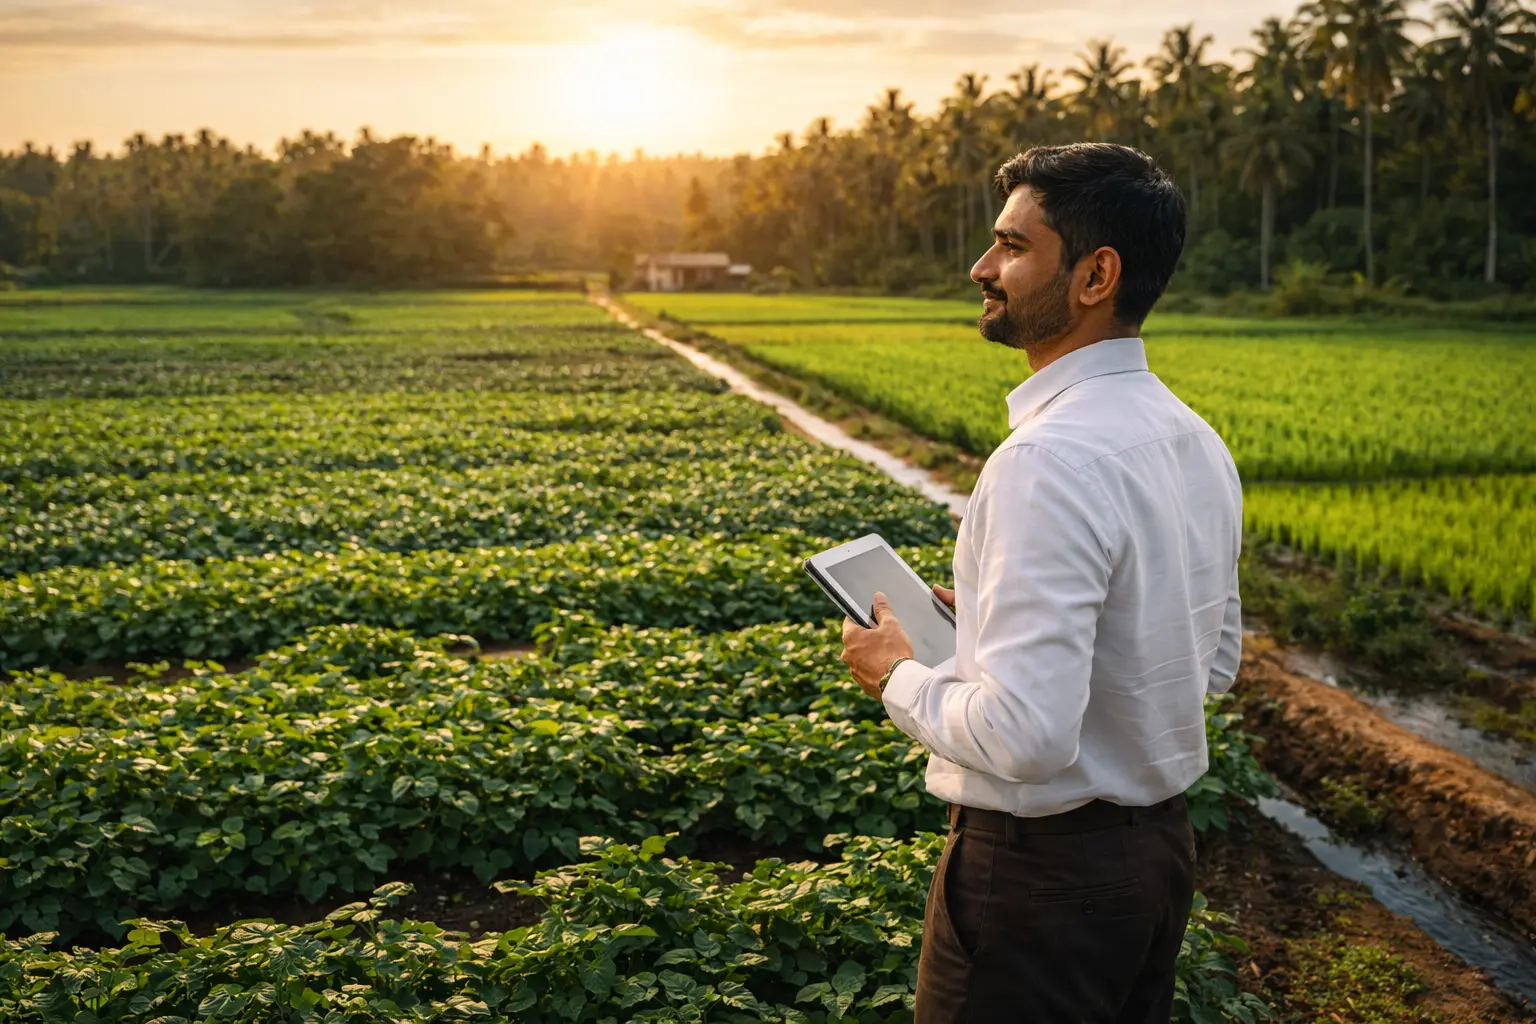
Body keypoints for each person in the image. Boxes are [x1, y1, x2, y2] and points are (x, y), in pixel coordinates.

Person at [839, 142, 1243, 1023]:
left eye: (1014, 248)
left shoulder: (1047, 460)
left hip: (1039, 883)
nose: (982, 267)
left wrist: (897, 674)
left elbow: (1025, 739)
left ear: (1097, 275)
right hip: (1156, 861)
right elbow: (1208, 665)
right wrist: (987, 627)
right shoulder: (1192, 439)